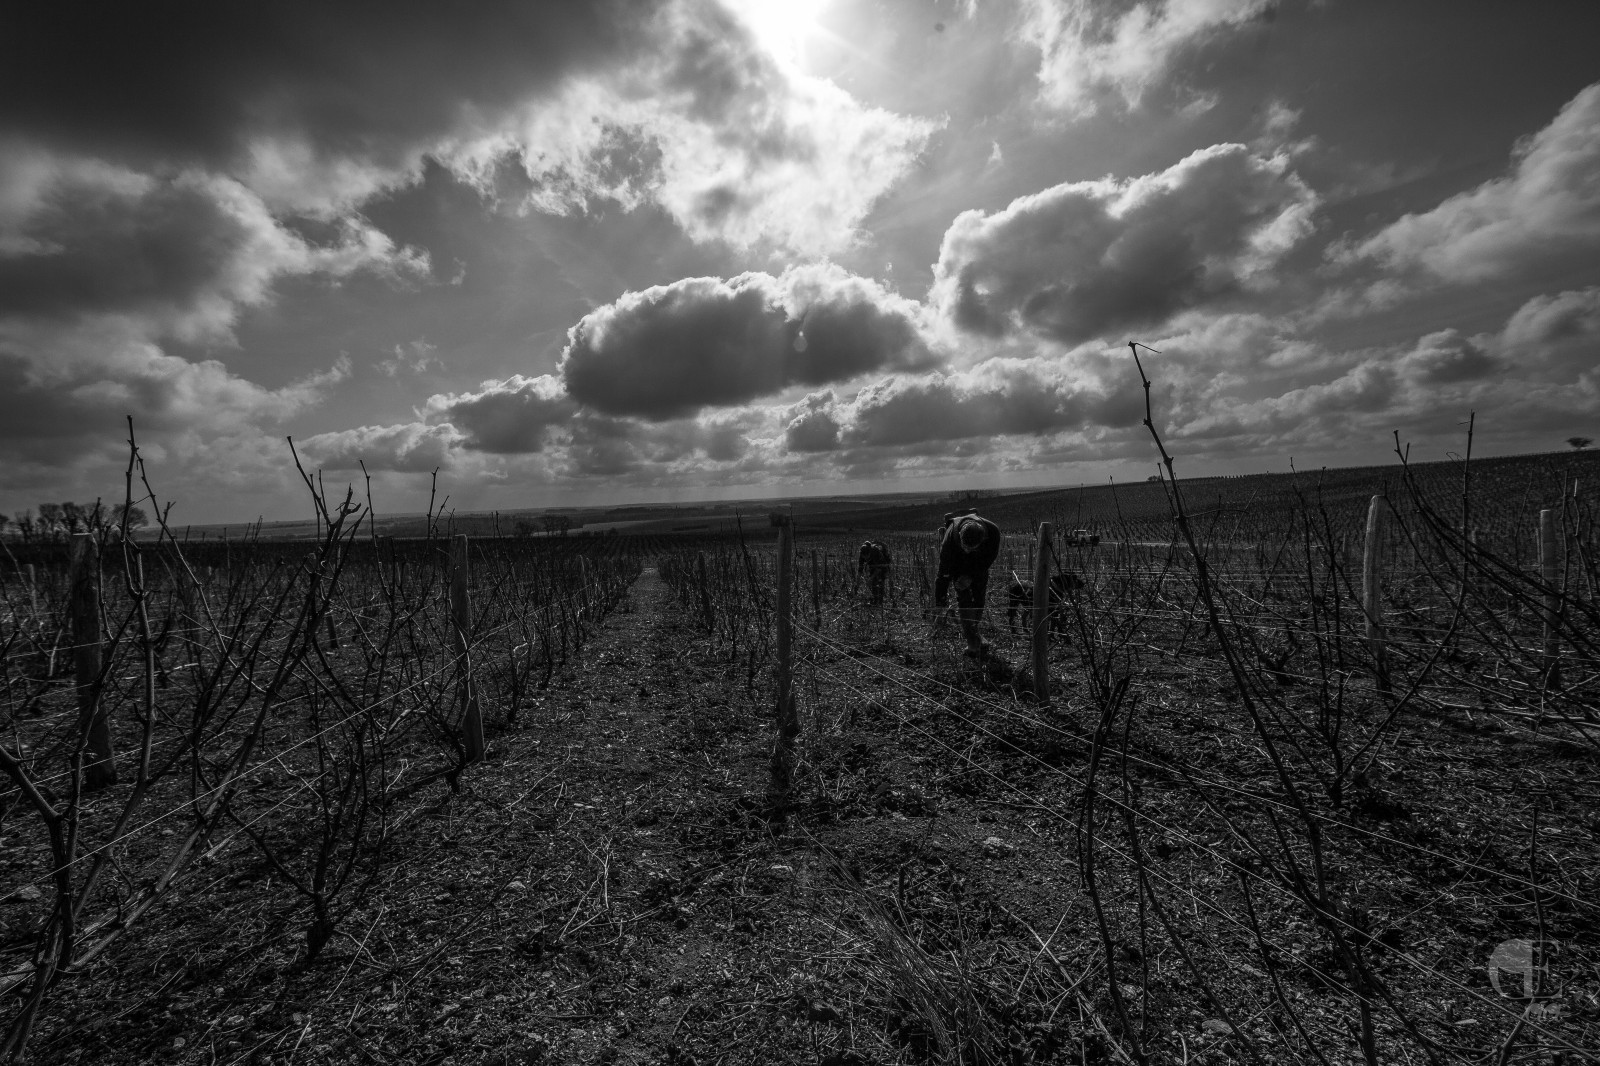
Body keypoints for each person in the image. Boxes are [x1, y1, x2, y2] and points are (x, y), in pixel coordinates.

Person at [934, 511, 1001, 656]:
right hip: (957, 565)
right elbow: (942, 574)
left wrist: (971, 576)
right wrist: (940, 604)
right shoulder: (950, 540)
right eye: (965, 548)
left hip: (979, 566)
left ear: (983, 540)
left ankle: (975, 632)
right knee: (964, 597)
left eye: (972, 549)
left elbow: (989, 558)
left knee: (979, 597)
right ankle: (972, 645)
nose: (968, 551)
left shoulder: (993, 532)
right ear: (960, 537)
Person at [857, 539, 892, 605]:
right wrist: (857, 584)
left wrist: (870, 578)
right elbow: (860, 570)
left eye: (867, 557)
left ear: (869, 553)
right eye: (864, 557)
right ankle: (874, 600)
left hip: (882, 563)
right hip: (873, 564)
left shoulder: (876, 552)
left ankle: (880, 601)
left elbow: (879, 569)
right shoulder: (861, 555)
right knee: (873, 582)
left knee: (881, 580)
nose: (865, 559)